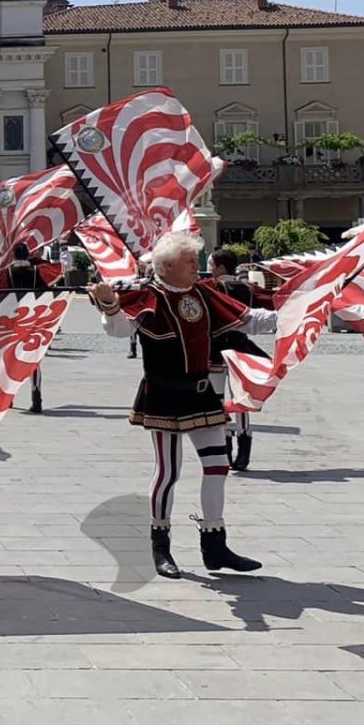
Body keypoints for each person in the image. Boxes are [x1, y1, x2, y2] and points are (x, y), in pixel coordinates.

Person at [90, 231, 276, 579]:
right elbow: (121, 330)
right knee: (169, 472)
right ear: (168, 266)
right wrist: (109, 305)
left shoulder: (203, 293)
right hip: (164, 395)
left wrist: (299, 312)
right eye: (189, 261)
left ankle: (215, 545)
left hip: (201, 394)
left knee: (218, 466)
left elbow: (250, 319)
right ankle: (160, 546)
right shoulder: (149, 295)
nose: (196, 266)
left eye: (195, 259)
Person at [207, 250, 258, 472]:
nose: (209, 268)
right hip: (240, 346)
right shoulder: (245, 288)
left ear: (220, 267)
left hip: (216, 348)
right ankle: (244, 446)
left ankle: (224, 445)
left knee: (218, 399)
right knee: (241, 398)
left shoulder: (211, 288)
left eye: (211, 264)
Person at [0, 244, 57, 414]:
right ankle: (37, 397)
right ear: (28, 255)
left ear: (13, 256)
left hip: (12, 319)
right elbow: (49, 287)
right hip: (34, 319)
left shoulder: (5, 273)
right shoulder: (37, 271)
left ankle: (8, 398)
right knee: (34, 360)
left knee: (9, 359)